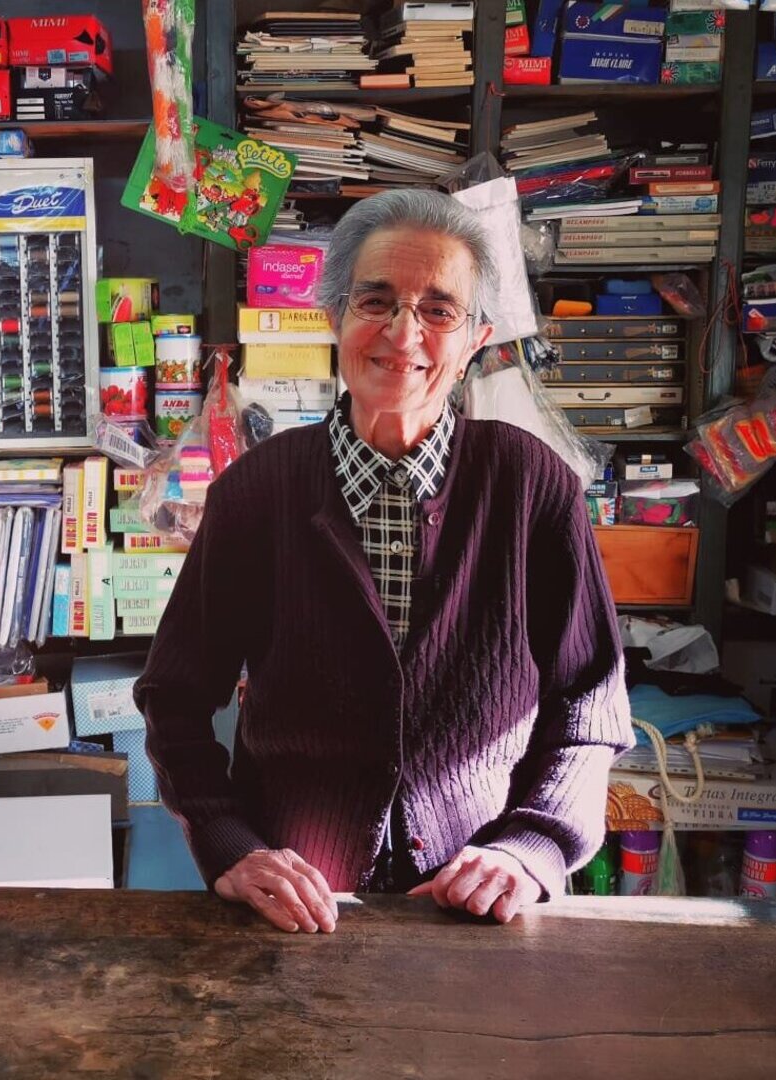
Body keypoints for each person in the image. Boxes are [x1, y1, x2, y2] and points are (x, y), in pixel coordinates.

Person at [136, 190, 633, 934]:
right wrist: (228, 841)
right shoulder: (255, 492)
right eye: (376, 301)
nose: (404, 334)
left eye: (439, 309)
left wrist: (531, 848)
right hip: (295, 914)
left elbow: (590, 710)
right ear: (333, 316)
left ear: (476, 340)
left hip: (480, 910)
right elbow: (174, 698)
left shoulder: (533, 487)